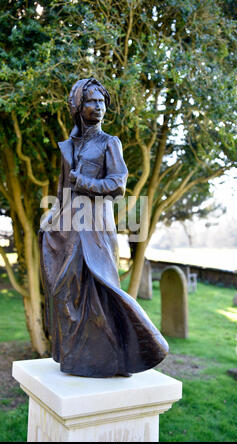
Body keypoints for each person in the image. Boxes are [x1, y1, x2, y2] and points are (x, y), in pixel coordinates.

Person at [39, 77, 168, 377]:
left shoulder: (110, 143)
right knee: (64, 290)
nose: (98, 107)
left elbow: (117, 185)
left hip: (96, 227)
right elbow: (61, 192)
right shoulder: (69, 147)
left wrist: (83, 182)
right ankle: (76, 357)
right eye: (91, 102)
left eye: (101, 103)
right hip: (70, 226)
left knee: (100, 291)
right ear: (77, 106)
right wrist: (52, 215)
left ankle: (120, 355)